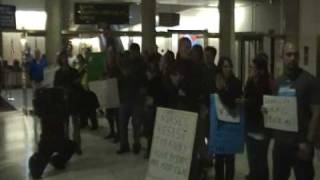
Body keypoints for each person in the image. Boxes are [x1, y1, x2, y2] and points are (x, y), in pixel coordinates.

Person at [270, 41, 320, 180]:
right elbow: (276, 109)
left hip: (301, 145)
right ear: (282, 57)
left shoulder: (310, 81)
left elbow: (317, 113)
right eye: (289, 54)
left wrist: (309, 142)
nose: (292, 58)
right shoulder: (278, 82)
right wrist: (267, 112)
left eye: (295, 55)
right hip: (281, 145)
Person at [244, 53, 273, 180]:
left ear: (260, 69)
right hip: (250, 121)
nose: (251, 69)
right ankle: (253, 175)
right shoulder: (250, 80)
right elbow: (246, 95)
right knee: (251, 154)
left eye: (253, 67)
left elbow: (269, 101)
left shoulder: (268, 81)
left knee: (261, 155)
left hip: (262, 123)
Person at [214, 57, 242, 180]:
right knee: (219, 156)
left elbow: (232, 102)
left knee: (230, 157)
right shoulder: (215, 80)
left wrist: (222, 89)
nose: (227, 69)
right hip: (218, 123)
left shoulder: (236, 82)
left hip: (231, 122)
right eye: (225, 66)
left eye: (229, 66)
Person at [117, 43, 147, 154]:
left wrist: (129, 75)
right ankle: (124, 145)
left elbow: (143, 80)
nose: (132, 54)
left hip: (136, 99)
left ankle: (136, 144)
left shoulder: (142, 64)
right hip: (125, 97)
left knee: (136, 124)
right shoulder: (126, 63)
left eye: (134, 52)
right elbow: (120, 77)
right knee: (123, 124)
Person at [53, 51, 82, 155]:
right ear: (60, 59)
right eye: (62, 58)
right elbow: (56, 87)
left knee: (76, 125)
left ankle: (77, 145)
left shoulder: (73, 71)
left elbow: (78, 86)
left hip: (73, 100)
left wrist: (76, 84)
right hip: (63, 102)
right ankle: (66, 147)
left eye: (65, 57)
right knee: (65, 125)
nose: (64, 59)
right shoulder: (58, 73)